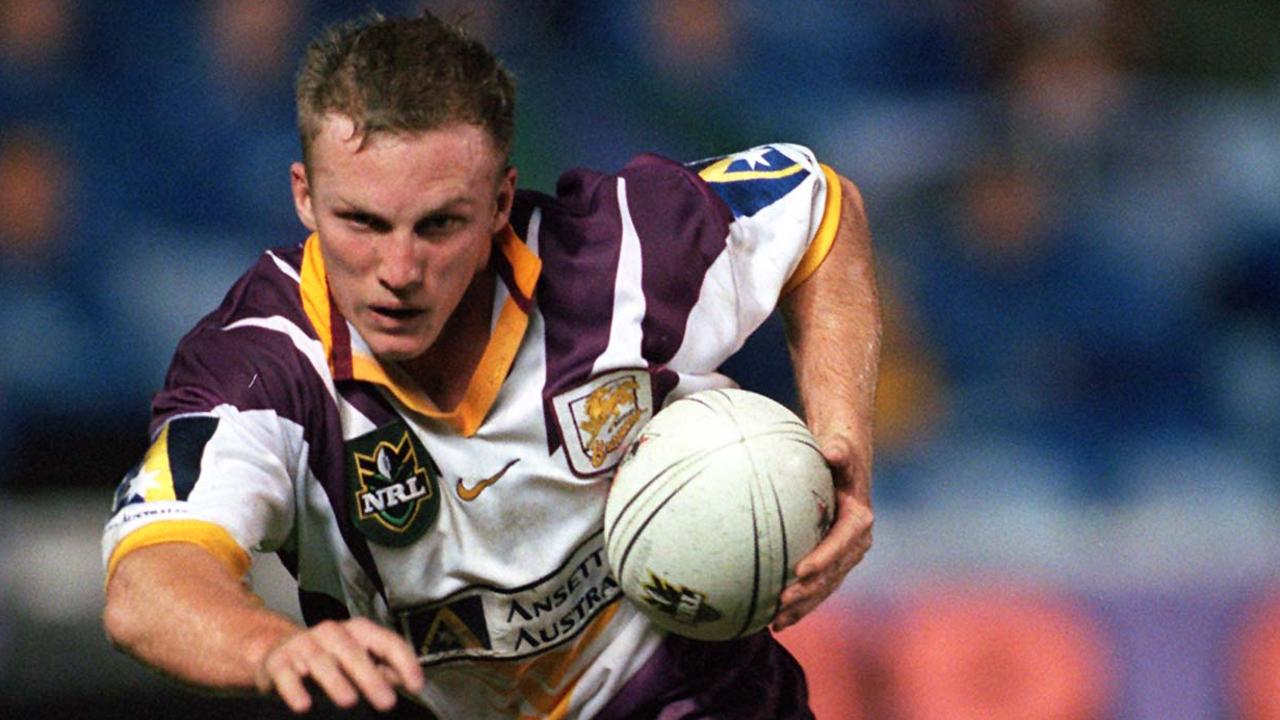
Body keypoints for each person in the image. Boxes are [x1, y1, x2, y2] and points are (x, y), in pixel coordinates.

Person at [101, 10, 880, 719]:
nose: (398, 268)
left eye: (439, 224)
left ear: (503, 202)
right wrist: (268, 648)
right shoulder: (262, 370)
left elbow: (820, 209)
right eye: (361, 222)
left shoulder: (621, 257)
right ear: (304, 197)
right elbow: (149, 582)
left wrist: (843, 446)